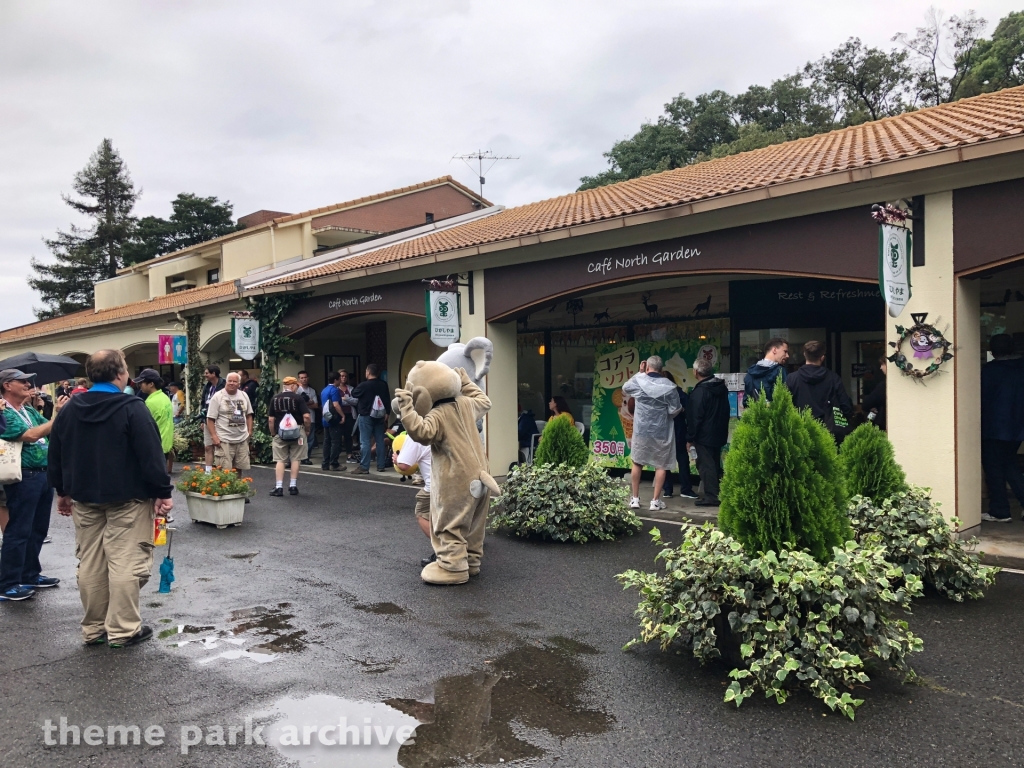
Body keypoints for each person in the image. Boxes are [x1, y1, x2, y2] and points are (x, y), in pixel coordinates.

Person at [49, 349, 173, 647]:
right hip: (128, 497)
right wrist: (163, 492)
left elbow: (56, 452)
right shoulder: (132, 407)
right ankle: (123, 629)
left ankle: (94, 629)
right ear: (121, 373)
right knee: (125, 561)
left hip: (84, 497)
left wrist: (61, 491)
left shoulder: (70, 409)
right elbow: (150, 455)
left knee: (90, 561)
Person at [0, 370, 66, 602]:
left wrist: (56, 414)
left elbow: (48, 430)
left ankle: (29, 574)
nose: (29, 384)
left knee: (38, 528)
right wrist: (55, 419)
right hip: (23, 476)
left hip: (41, 474)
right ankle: (7, 583)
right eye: (23, 381)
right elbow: (28, 435)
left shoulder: (27, 410)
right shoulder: (2, 411)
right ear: (7, 385)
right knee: (19, 530)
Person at [623, 356, 682, 511]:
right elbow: (676, 409)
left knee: (637, 462)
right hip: (661, 430)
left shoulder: (639, 381)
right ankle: (655, 501)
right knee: (661, 464)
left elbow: (625, 388)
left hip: (641, 430)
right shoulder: (670, 386)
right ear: (661, 369)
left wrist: (640, 372)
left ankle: (635, 499)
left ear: (647, 367)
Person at [981, 333, 1024, 523]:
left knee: (994, 468)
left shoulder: (989, 371)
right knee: (1009, 465)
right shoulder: (1021, 369)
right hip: (1018, 428)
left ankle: (1000, 510)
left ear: (992, 350)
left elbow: (980, 399)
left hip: (993, 428)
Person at [787, 340, 853, 444]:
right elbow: (846, 406)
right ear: (822, 357)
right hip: (829, 433)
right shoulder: (833, 378)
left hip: (800, 433)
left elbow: (785, 407)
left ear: (804, 355)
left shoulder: (791, 379)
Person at [687, 358, 731, 507]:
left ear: (696, 372)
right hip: (718, 432)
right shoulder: (721, 387)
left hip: (704, 435)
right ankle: (716, 493)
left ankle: (711, 496)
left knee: (706, 466)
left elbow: (695, 417)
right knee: (714, 464)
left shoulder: (700, 392)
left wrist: (690, 438)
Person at [394, 433, 433, 566]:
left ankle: (443, 552)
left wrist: (396, 459)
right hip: (457, 482)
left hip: (435, 486)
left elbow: (404, 465)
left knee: (422, 514)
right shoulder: (448, 425)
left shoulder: (417, 433)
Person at [268, 376, 311, 496]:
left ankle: (279, 487)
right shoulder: (298, 398)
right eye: (296, 386)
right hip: (297, 432)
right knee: (295, 458)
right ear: (293, 386)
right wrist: (307, 430)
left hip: (280, 433)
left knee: (280, 460)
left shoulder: (275, 399)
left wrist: (273, 433)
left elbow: (271, 419)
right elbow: (306, 417)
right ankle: (293, 486)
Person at [206, 371, 254, 475]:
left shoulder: (244, 395)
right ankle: (225, 491)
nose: (231, 383)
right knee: (224, 471)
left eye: (234, 381)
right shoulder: (218, 396)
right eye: (229, 381)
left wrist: (249, 432)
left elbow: (249, 415)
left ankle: (237, 490)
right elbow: (210, 419)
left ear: (239, 384)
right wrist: (214, 437)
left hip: (241, 438)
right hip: (224, 439)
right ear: (226, 382)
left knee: (239, 468)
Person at [661, 371, 697, 500]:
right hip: (679, 431)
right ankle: (686, 489)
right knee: (682, 460)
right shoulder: (679, 393)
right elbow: (689, 413)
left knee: (664, 462)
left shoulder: (657, 395)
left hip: (663, 432)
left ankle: (667, 490)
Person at [351, 363, 392, 474]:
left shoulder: (364, 385)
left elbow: (354, 393)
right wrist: (387, 412)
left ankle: (364, 466)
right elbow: (387, 398)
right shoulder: (383, 384)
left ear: (368, 372)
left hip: (366, 415)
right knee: (379, 440)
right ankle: (381, 465)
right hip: (380, 416)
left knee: (365, 441)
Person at [136, 369, 176, 475]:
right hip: (165, 443)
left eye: (142, 382)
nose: (140, 385)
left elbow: (143, 427)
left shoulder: (150, 402)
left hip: (154, 446)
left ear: (151, 384)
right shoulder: (164, 397)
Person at [744, 337, 789, 403]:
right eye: (785, 351)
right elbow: (782, 401)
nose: (787, 355)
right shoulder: (779, 371)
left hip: (755, 412)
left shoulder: (750, 373)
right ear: (774, 350)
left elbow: (746, 402)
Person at [319, 371, 347, 472]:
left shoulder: (324, 390)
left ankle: (325, 463)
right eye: (339, 379)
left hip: (325, 418)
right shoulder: (334, 390)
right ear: (335, 380)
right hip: (334, 419)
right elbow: (335, 404)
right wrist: (342, 415)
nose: (340, 381)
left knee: (327, 441)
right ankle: (334, 463)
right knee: (336, 441)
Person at [200, 365, 225, 472]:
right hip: (207, 418)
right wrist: (202, 420)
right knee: (208, 446)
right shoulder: (207, 387)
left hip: (220, 420)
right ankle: (208, 472)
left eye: (207, 373)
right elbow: (202, 403)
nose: (205, 375)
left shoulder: (224, 385)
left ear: (213, 374)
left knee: (220, 447)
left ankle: (222, 471)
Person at [296, 371, 319, 466]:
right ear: (299, 379)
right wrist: (309, 403)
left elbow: (316, 405)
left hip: (311, 418)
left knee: (310, 439)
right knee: (300, 439)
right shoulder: (297, 391)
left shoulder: (312, 391)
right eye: (301, 378)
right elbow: (297, 405)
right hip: (300, 419)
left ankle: (306, 457)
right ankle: (300, 456)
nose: (304, 379)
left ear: (308, 378)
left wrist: (304, 404)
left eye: (305, 377)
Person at [862, 358, 887, 431]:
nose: (881, 367)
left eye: (883, 364)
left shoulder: (883, 386)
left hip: (882, 425)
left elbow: (866, 405)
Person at [337, 370, 357, 462]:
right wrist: (347, 400)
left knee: (348, 435)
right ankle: (335, 456)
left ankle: (349, 455)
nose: (343, 378)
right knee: (337, 435)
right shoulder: (335, 389)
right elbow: (336, 402)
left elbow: (356, 401)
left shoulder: (351, 388)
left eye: (345, 376)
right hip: (338, 415)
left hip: (350, 415)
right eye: (341, 376)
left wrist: (346, 399)